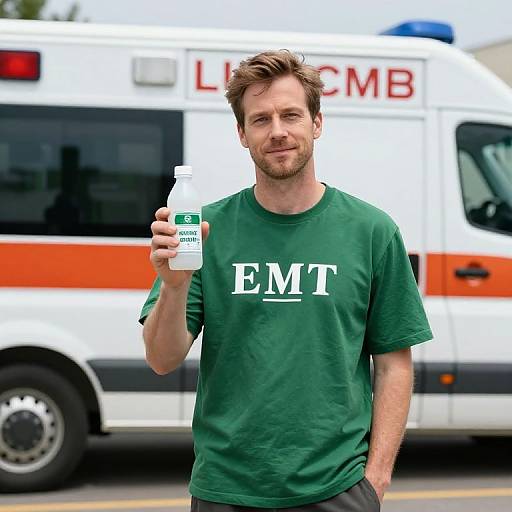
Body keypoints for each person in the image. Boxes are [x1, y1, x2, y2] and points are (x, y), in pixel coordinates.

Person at [139, 50, 433, 512]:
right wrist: (174, 287)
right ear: (242, 133)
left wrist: (374, 481)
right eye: (260, 119)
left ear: (317, 123)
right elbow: (161, 358)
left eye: (291, 115)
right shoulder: (203, 230)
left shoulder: (372, 231)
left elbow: (394, 362)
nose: (277, 131)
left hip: (337, 490)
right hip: (226, 489)